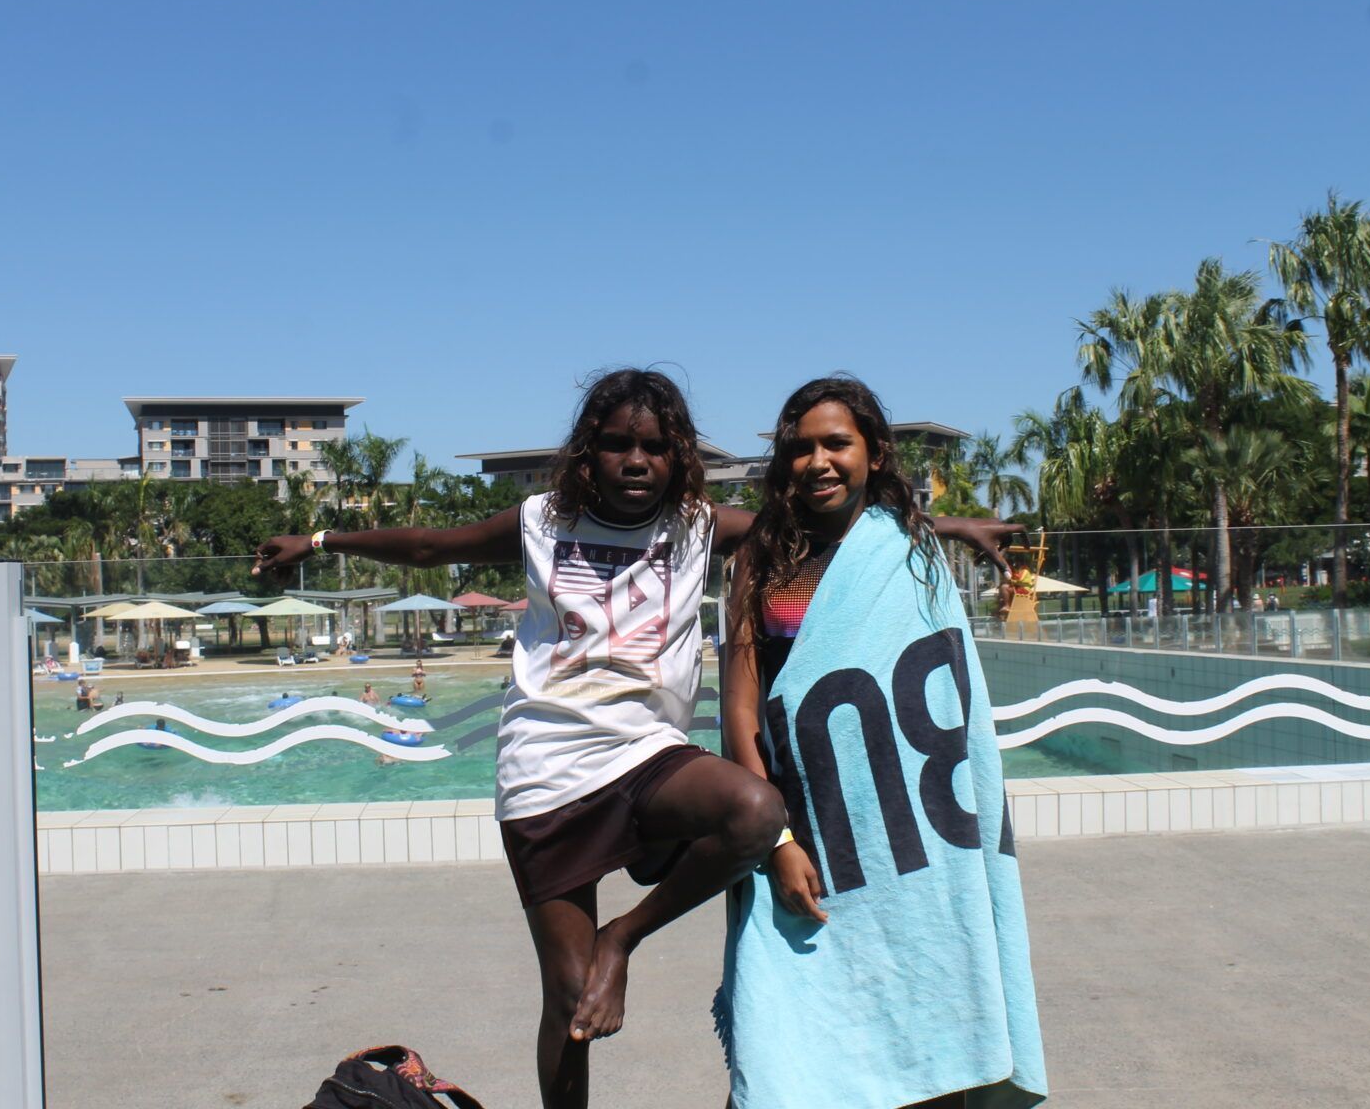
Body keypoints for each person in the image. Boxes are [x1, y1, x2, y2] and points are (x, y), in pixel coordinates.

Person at [253, 368, 1019, 1109]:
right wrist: (319, 541)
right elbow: (429, 545)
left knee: (753, 813)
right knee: (570, 997)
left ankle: (626, 934)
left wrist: (948, 528)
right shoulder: (542, 522)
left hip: (647, 757)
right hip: (545, 772)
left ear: (679, 455)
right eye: (619, 444)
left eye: (655, 447)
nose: (637, 461)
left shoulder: (694, 527)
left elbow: (823, 528)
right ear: (590, 450)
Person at [718, 377, 1045, 1108]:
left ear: (873, 452)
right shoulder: (761, 562)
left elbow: (954, 713)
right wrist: (775, 840)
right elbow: (739, 709)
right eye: (801, 448)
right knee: (788, 1046)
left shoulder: (913, 553)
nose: (818, 461)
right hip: (805, 838)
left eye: (837, 443)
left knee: (932, 1035)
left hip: (917, 846)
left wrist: (951, 526)